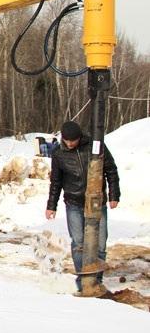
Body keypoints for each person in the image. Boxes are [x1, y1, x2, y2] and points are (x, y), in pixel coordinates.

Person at [45, 121, 120, 293]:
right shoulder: (58, 153)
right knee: (78, 243)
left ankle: (96, 280)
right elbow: (56, 182)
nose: (70, 144)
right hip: (74, 203)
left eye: (74, 140)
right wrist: (51, 205)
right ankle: (83, 281)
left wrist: (114, 194)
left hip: (96, 202)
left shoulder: (95, 146)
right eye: (67, 140)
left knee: (100, 243)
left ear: (80, 137)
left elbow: (111, 169)